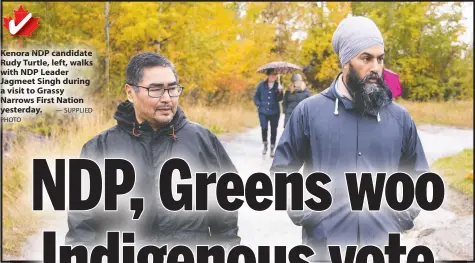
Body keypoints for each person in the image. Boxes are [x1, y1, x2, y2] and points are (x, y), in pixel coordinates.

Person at [271, 16, 429, 261]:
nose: (376, 67)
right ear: (345, 61)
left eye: (380, 58)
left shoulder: (399, 118)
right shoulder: (309, 112)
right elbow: (282, 170)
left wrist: (398, 218)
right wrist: (308, 213)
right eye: (365, 58)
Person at [66, 52, 240, 249]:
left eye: (172, 89)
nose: (167, 98)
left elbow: (225, 214)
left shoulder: (203, 141)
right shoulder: (99, 149)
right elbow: (82, 225)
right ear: (130, 92)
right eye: (156, 90)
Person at [254, 69, 283, 157]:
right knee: (264, 127)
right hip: (263, 111)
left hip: (274, 111)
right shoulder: (261, 85)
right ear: (268, 75)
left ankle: (272, 148)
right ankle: (265, 144)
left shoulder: (278, 86)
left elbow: (279, 99)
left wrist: (280, 91)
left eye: (275, 75)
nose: (273, 77)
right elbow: (256, 96)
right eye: (271, 75)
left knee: (274, 130)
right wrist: (259, 104)